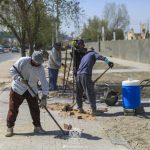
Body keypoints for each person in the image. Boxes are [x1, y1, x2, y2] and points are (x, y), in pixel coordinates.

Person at [6, 51, 49, 137]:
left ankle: (37, 127)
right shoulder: (23, 60)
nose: (38, 65)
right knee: (13, 108)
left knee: (35, 109)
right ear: (32, 59)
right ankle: (10, 128)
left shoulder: (40, 68)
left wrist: (44, 97)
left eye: (39, 63)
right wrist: (19, 79)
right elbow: (12, 70)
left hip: (31, 89)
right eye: (36, 63)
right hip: (18, 88)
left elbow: (44, 82)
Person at [76, 47, 114, 116]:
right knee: (90, 92)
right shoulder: (93, 53)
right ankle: (94, 110)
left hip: (78, 75)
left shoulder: (84, 56)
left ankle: (79, 108)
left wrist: (89, 82)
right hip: (85, 74)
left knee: (79, 92)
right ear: (93, 51)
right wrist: (108, 62)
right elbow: (102, 57)